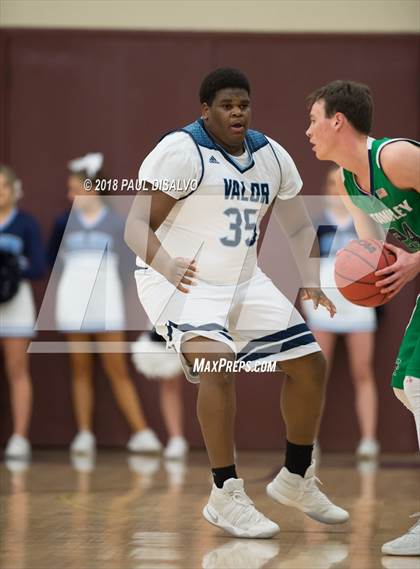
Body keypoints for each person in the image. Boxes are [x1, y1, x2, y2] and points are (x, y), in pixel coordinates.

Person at [125, 67, 349, 539]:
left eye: (243, 104)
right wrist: (166, 265)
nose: (237, 112)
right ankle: (225, 492)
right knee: (218, 364)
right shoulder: (181, 153)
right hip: (178, 280)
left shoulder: (270, 156)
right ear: (205, 110)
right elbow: (134, 228)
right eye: (226, 105)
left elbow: (298, 226)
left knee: (310, 364)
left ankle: (295, 476)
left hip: (244, 279)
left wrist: (310, 280)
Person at [306, 79, 420, 556]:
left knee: (417, 385)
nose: (308, 131)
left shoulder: (394, 157)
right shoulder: (352, 183)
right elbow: (378, 253)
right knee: (406, 386)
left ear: (338, 120)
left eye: (313, 120)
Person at [48, 153, 161, 455]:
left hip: (107, 303)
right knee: (80, 369)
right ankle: (84, 434)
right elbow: (54, 264)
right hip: (72, 304)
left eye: (75, 189)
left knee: (117, 369)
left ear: (92, 188)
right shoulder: (63, 223)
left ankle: (142, 432)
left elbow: (127, 267)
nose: (71, 196)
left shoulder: (116, 223)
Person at [302, 165, 380, 457]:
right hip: (324, 307)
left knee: (363, 371)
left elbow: (378, 262)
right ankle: (309, 441)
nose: (337, 191)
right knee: (318, 373)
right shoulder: (317, 222)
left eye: (342, 185)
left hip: (359, 307)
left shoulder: (365, 222)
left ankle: (369, 441)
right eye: (332, 185)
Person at [0, 165, 46, 459]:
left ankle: (19, 438)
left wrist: (12, 268)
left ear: (14, 190)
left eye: (3, 186)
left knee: (17, 370)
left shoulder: (26, 224)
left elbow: (40, 265)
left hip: (15, 305)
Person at [132, 329, 188, 460]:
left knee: (208, 380)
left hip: (201, 317)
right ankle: (176, 438)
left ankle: (221, 442)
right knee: (169, 378)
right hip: (168, 316)